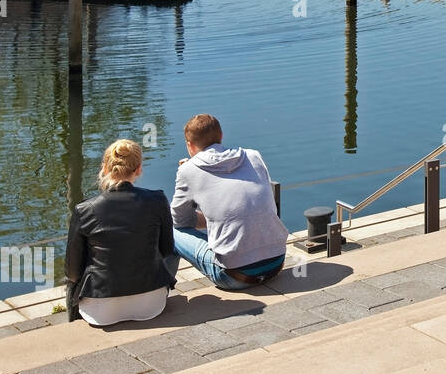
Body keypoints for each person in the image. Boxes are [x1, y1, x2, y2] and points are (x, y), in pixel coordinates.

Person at [170, 114, 288, 290]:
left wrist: (187, 175)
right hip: (276, 263)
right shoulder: (253, 156)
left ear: (190, 145)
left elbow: (180, 222)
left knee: (170, 229)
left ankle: (163, 289)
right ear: (221, 136)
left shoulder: (188, 171)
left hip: (234, 277)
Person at [65, 140, 175, 326]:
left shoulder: (84, 209)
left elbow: (73, 271)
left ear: (105, 168)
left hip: (100, 310)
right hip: (151, 304)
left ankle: (72, 323)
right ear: (139, 169)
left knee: (70, 278)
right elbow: (167, 250)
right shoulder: (158, 200)